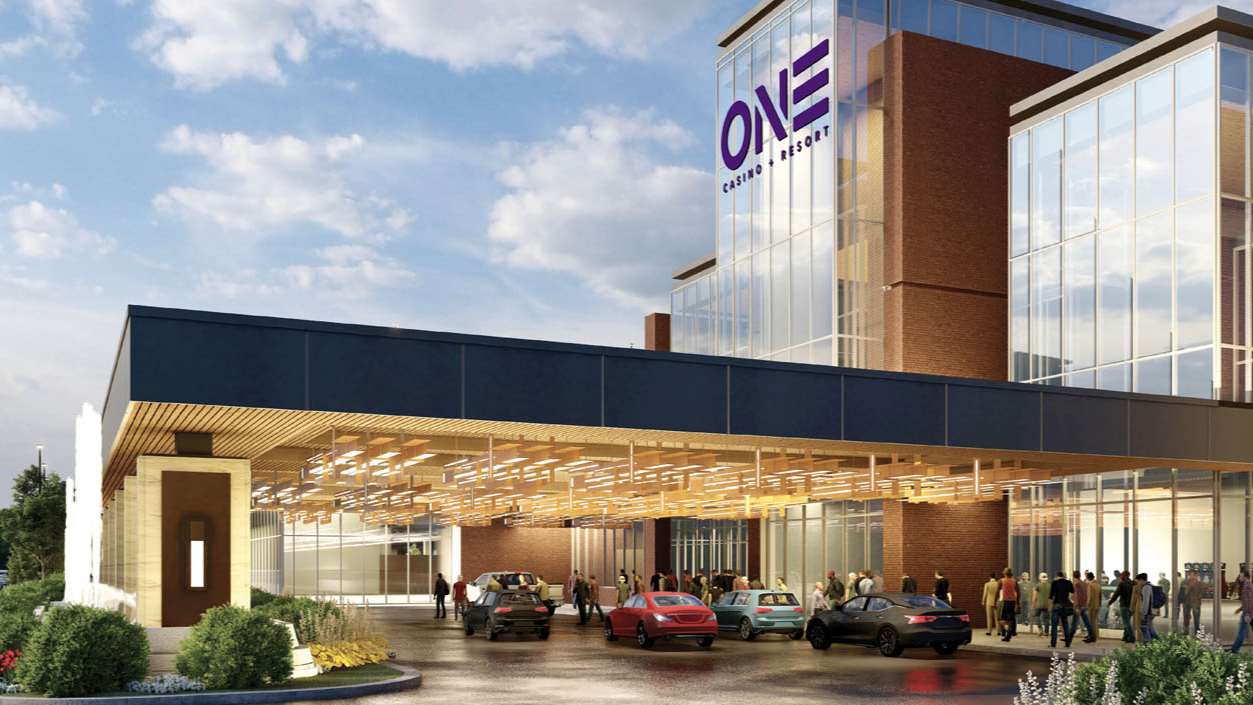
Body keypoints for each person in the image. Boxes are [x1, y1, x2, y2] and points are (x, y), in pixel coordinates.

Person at [1048, 570, 1076, 648]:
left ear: (1057, 576)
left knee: (1054, 626)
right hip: (1065, 606)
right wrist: (1071, 600)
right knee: (1065, 625)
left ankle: (1053, 644)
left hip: (1056, 605)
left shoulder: (1054, 583)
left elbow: (1051, 595)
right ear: (1063, 576)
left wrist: (1050, 605)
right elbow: (1073, 592)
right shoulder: (1068, 582)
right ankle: (1067, 643)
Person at [1107, 571, 1135, 643]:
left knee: (1126, 623)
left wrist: (1110, 603)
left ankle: (1131, 637)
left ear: (1124, 576)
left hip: (1124, 605)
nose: (1121, 577)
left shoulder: (1122, 584)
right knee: (1127, 621)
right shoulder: (1133, 583)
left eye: (1122, 575)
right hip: (1131, 606)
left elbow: (1116, 594)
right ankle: (1125, 636)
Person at [1072, 570, 1095, 643]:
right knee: (1087, 622)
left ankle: (1068, 638)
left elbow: (1078, 595)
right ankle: (1092, 637)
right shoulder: (1084, 583)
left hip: (1079, 605)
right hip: (1084, 605)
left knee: (1074, 622)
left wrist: (1077, 606)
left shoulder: (1077, 584)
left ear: (1073, 576)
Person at [1233, 569, 1253, 652]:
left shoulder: (1247, 586)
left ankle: (1234, 649)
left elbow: (1249, 600)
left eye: (1241, 576)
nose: (1239, 578)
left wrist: (1247, 613)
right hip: (1250, 610)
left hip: (1248, 611)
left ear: (1246, 577)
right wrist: (1240, 608)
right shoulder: (1249, 584)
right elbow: (1247, 600)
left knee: (1241, 631)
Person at [998, 568, 1019, 642]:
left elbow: (997, 591)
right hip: (1012, 602)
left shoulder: (1001, 581)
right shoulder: (1014, 581)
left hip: (1005, 601)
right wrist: (1018, 603)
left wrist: (994, 601)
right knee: (1010, 619)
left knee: (1000, 619)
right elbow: (1018, 592)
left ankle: (1007, 629)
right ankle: (1008, 635)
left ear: (1005, 574)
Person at [1136, 573, 1158, 642]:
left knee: (1144, 629)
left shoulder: (1146, 588)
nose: (1138, 583)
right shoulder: (1151, 586)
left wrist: (1143, 614)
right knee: (1150, 628)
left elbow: (1146, 602)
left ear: (1142, 580)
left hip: (1148, 612)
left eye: (1138, 581)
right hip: (1152, 611)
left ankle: (1147, 647)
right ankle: (1160, 643)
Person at [1182, 570, 1204, 636]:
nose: (1190, 576)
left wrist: (1184, 601)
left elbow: (1186, 593)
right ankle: (1197, 633)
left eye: (1191, 575)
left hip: (1189, 602)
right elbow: (1203, 592)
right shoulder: (1201, 583)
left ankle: (1186, 631)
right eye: (1189, 575)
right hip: (1195, 602)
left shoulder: (1188, 582)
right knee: (1196, 618)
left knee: (1187, 616)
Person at [1032, 573, 1051, 637]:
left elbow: (1034, 596)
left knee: (1036, 616)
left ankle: (1040, 628)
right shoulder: (1050, 586)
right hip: (1047, 604)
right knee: (1047, 618)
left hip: (1039, 604)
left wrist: (1033, 604)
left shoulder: (1037, 585)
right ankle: (1046, 633)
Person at [1086, 571, 1102, 641]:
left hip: (1091, 606)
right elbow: (1100, 597)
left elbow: (1089, 597)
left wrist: (1087, 605)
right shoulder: (1098, 585)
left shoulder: (1090, 585)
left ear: (1088, 578)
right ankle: (1094, 635)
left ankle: (1092, 637)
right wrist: (1099, 605)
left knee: (1091, 622)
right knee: (1094, 622)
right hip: (1097, 606)